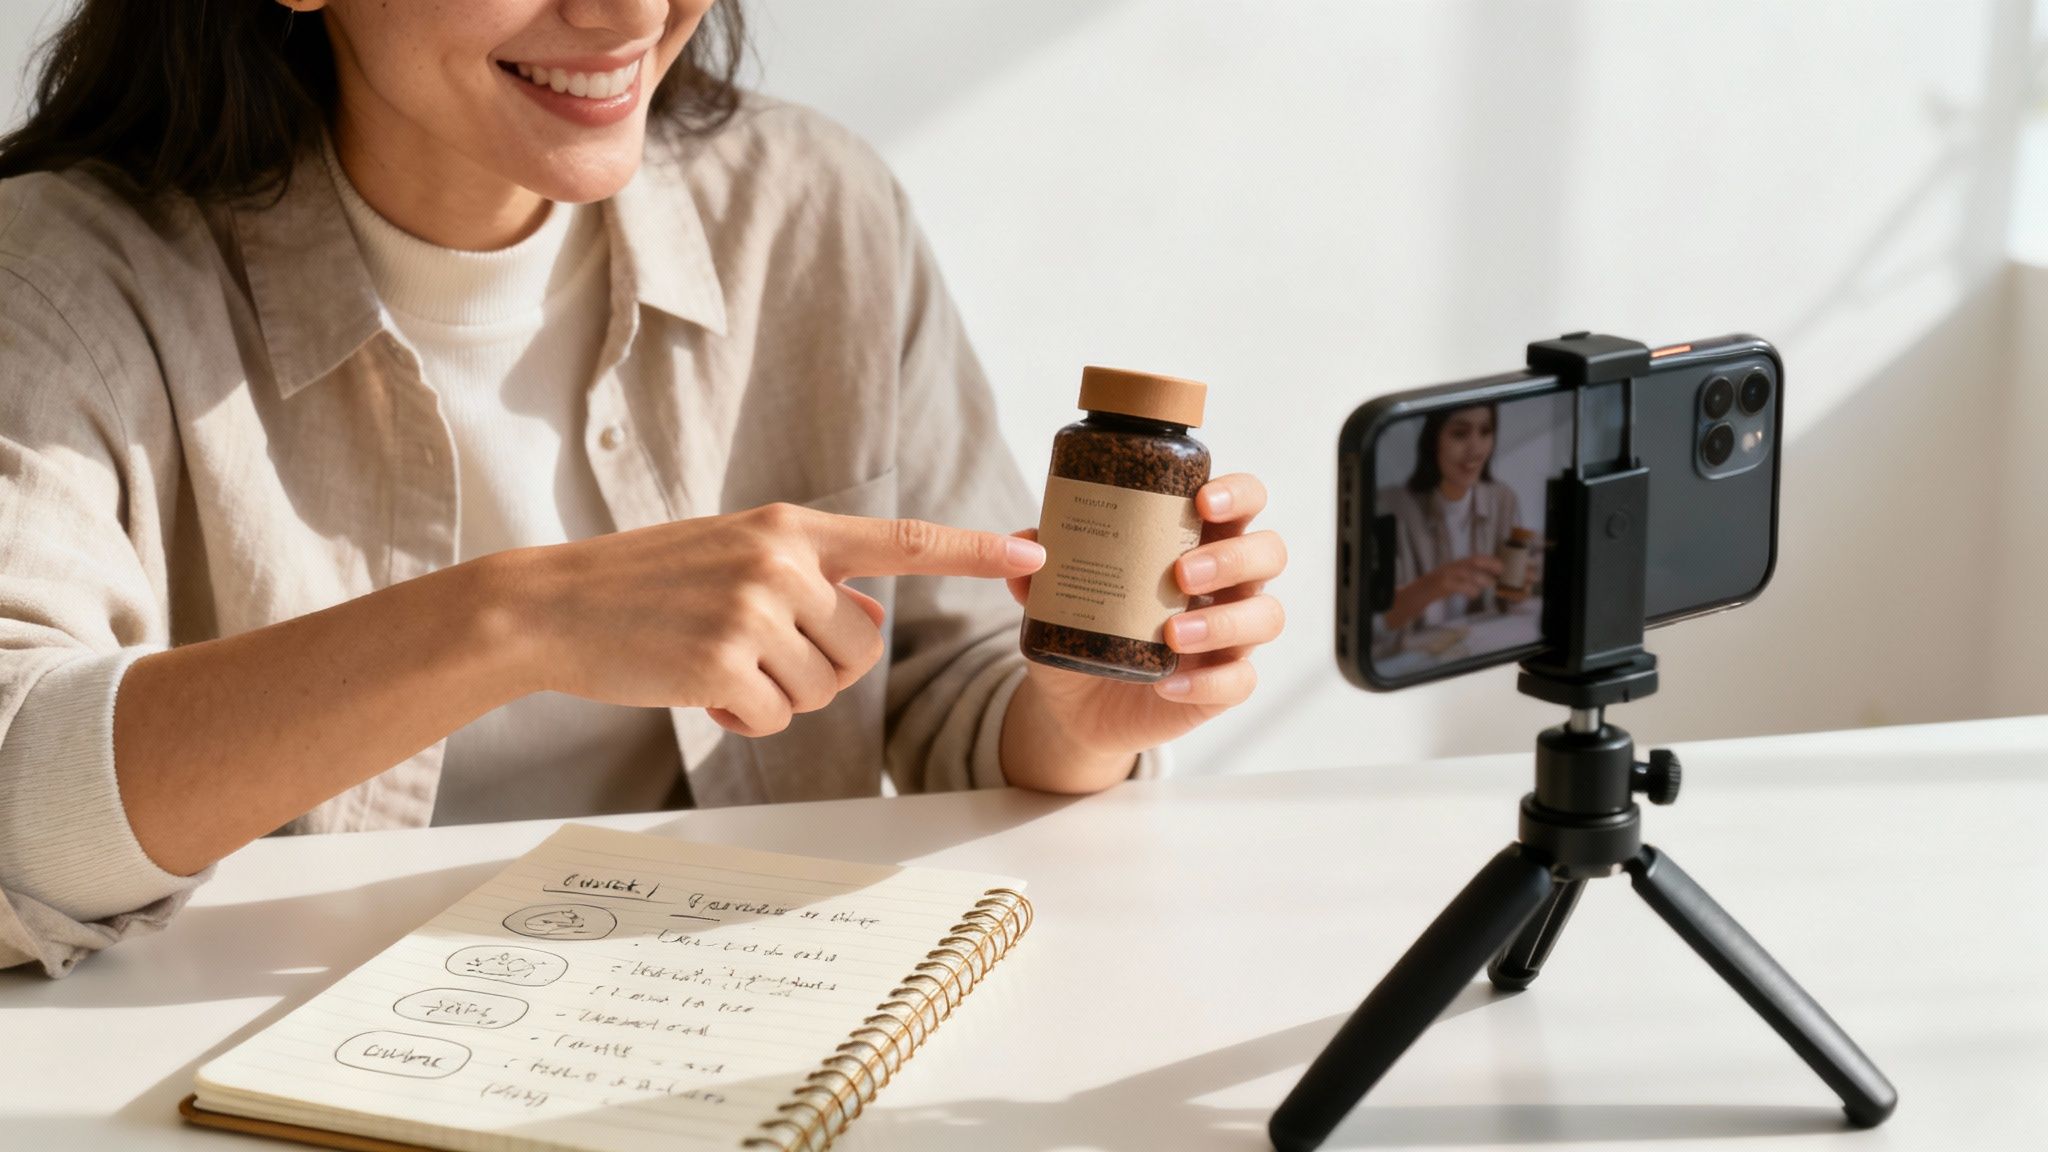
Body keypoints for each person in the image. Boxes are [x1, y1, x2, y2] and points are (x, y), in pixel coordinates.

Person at [0, 0, 1288, 976]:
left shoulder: (808, 209)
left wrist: (1072, 724)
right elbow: (15, 814)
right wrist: (518, 621)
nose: (626, 17)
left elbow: (952, 693)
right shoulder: (57, 279)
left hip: (714, 1017)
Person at [1375, 403, 1522, 642]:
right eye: (1460, 434)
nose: (1476, 450)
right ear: (1433, 440)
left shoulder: (1503, 500)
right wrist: (1435, 584)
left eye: (1485, 432)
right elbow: (1377, 622)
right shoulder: (1391, 508)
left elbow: (1508, 603)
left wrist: (1521, 584)